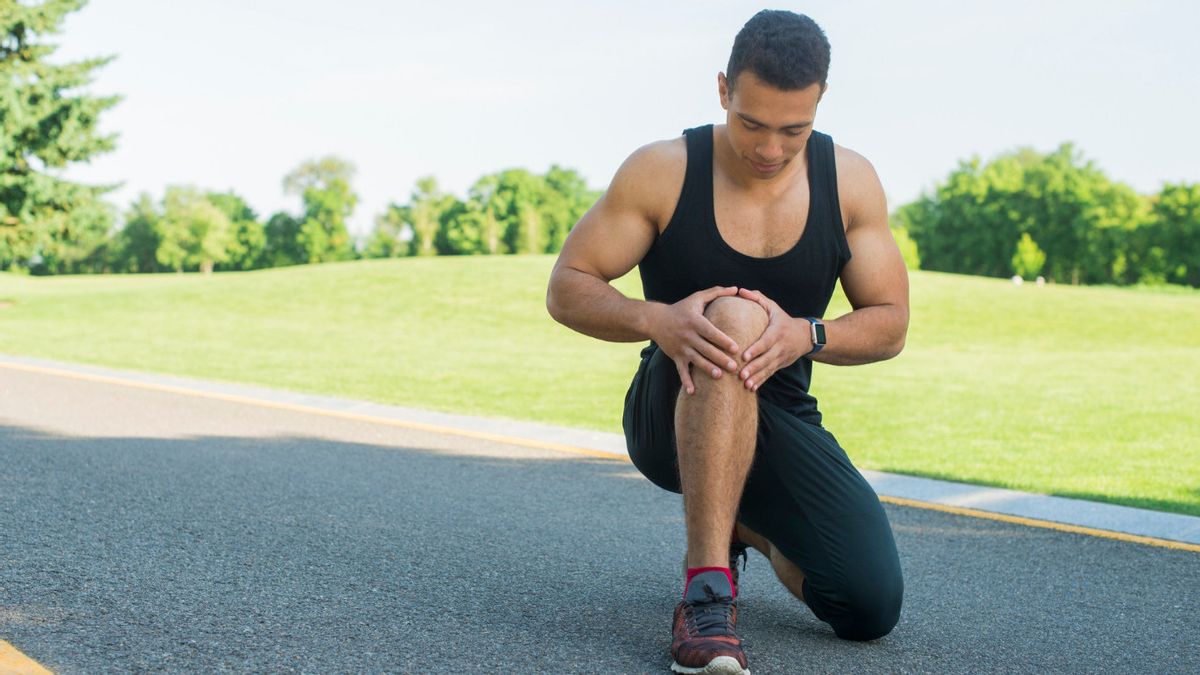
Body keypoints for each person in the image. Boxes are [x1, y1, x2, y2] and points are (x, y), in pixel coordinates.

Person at [546, 10, 908, 674]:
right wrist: (656, 319)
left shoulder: (849, 182)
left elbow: (890, 323)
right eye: (752, 124)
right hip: (672, 406)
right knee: (732, 319)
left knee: (868, 604)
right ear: (723, 90)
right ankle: (706, 594)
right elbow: (567, 285)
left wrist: (808, 333)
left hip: (780, 416)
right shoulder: (663, 171)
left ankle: (745, 526)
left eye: (792, 130)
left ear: (819, 103)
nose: (770, 149)